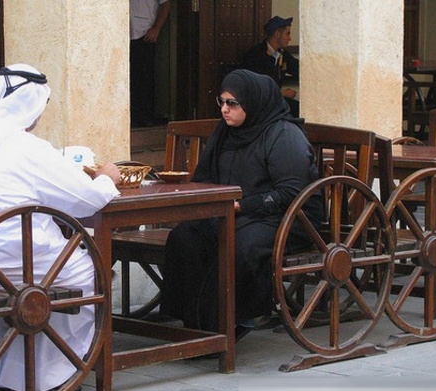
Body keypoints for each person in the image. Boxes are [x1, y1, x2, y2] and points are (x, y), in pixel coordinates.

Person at [0, 63, 122, 391]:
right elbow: (86, 200)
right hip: (7, 269)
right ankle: (50, 373)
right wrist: (108, 177)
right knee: (87, 270)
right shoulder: (25, 147)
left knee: (50, 253)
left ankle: (9, 370)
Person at [160, 69, 323, 338]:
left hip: (287, 219)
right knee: (185, 236)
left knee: (239, 245)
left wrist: (243, 206)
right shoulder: (226, 133)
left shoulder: (284, 135)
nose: (224, 110)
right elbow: (206, 177)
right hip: (234, 213)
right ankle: (195, 324)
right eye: (221, 102)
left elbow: (292, 192)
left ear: (253, 101)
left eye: (232, 103)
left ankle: (233, 320)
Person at [242, 16, 300, 118]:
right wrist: (282, 93)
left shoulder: (282, 54)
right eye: (287, 34)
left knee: (301, 110)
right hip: (260, 105)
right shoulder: (256, 55)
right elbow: (256, 88)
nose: (290, 38)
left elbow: (298, 69)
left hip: (275, 101)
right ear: (277, 34)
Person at [130, 0, 171, 127]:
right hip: (122, 32)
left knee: (145, 78)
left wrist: (156, 28)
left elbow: (166, 4)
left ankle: (144, 118)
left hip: (145, 32)